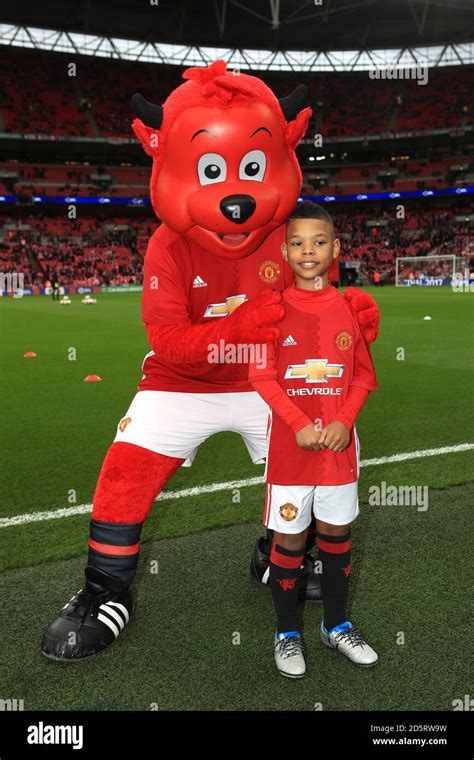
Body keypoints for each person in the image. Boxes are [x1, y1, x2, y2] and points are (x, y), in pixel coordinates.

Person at [249, 201, 379, 678]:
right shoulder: (272, 309)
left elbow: (364, 377)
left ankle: (336, 624)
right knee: (289, 538)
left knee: (336, 536)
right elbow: (261, 376)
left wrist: (344, 420)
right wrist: (297, 422)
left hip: (339, 453)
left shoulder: (348, 307)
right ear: (284, 251)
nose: (309, 251)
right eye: (299, 243)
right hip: (290, 450)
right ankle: (287, 635)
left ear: (335, 248)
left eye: (319, 242)